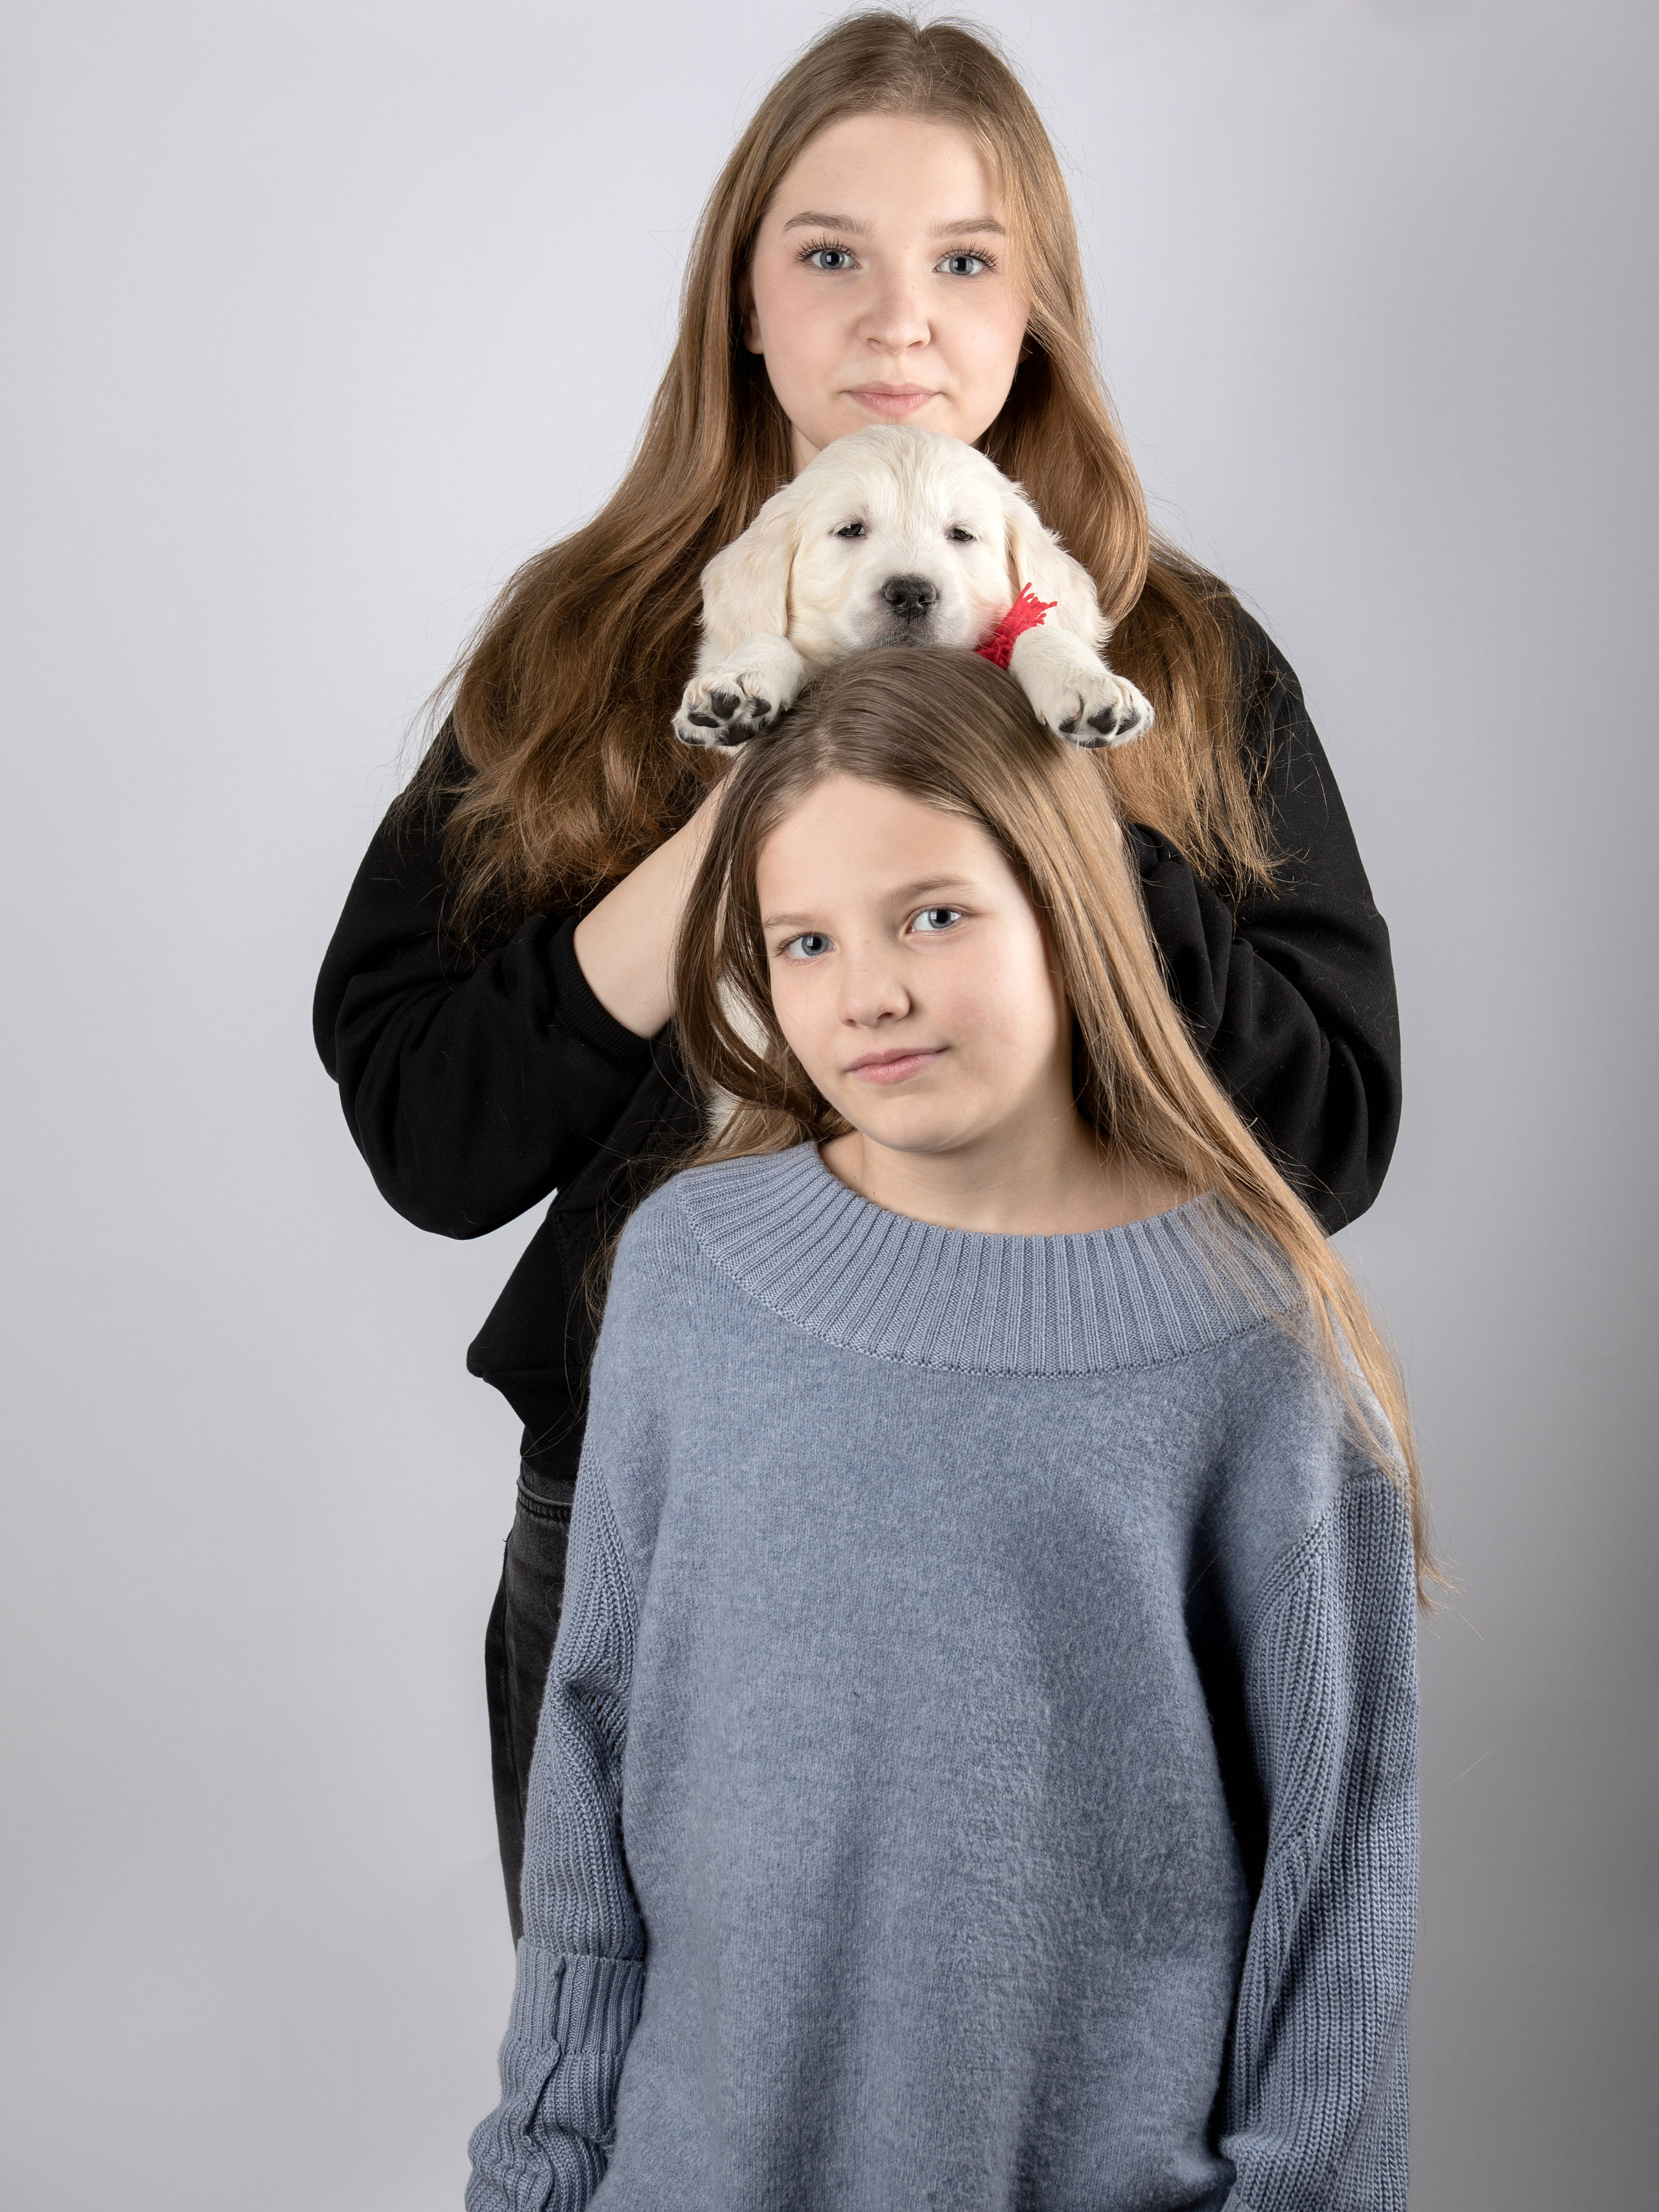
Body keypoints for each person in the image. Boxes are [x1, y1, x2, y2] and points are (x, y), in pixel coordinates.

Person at [312, 13, 1402, 1936]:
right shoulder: (582, 649)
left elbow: (1328, 1127)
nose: (900, 322)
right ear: (742, 301)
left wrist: (1051, 799)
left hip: (1075, 1499)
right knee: (648, 2053)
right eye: (831, 254)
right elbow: (427, 1130)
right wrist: (729, 839)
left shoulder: (1174, 661)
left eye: (965, 260)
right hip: (661, 1498)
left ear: (1034, 310)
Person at [465, 646, 1424, 2212]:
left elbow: (1337, 1881)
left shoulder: (1254, 1339)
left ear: (1068, 903)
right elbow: (589, 1776)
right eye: (804, 941)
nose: (870, 993)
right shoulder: (688, 1274)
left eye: (932, 916)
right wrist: (539, 2176)